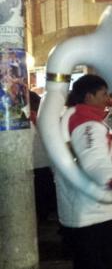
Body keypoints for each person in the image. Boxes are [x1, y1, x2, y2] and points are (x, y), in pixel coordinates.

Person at [57, 75, 112, 269]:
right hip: (92, 211)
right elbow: (94, 161)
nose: (107, 98)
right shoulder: (88, 124)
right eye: (103, 94)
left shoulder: (77, 118)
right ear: (89, 96)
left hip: (85, 208)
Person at [31, 91, 56, 223]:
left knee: (41, 193)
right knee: (43, 192)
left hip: (39, 162)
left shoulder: (34, 118)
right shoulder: (35, 118)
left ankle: (43, 216)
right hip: (41, 162)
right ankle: (43, 216)